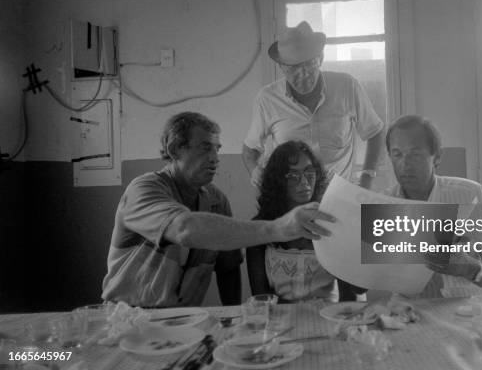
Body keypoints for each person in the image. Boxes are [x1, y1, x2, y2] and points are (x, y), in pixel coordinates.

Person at [102, 112, 334, 308]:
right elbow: (184, 229)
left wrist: (232, 318)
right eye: (205, 149)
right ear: (175, 149)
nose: (215, 158)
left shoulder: (216, 201)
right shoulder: (144, 189)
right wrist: (279, 228)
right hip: (130, 316)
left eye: (217, 149)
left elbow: (228, 268)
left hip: (185, 320)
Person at [242, 21, 385, 189]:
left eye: (309, 64)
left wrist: (367, 176)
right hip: (291, 196)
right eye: (293, 68)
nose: (303, 74)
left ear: (321, 59)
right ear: (281, 67)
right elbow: (250, 149)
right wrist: (255, 171)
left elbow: (375, 132)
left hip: (338, 194)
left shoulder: (347, 86)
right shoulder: (267, 99)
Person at [384, 115, 482, 297]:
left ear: (437, 157)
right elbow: (360, 284)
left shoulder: (471, 195)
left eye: (416, 154)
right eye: (397, 154)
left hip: (466, 314)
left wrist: (470, 268)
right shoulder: (380, 204)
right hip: (405, 315)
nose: (405, 164)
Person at [246, 141, 359, 302]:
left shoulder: (331, 222)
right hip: (279, 320)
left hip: (329, 318)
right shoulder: (263, 227)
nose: (304, 182)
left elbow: (349, 297)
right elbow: (261, 298)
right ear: (277, 180)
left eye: (309, 173)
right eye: (292, 176)